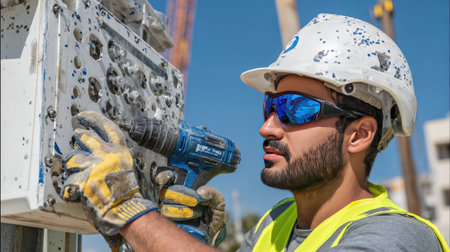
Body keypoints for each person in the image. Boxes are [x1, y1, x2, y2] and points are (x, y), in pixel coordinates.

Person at [61, 13, 449, 251]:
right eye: (270, 106)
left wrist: (132, 215)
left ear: (360, 134)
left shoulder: (399, 239)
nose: (267, 126)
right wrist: (174, 240)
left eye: (294, 108)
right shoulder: (276, 223)